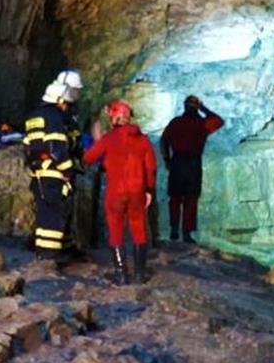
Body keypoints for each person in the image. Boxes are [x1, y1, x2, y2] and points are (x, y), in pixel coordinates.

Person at [83, 100, 157, 284]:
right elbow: (151, 167)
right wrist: (149, 190)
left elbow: (88, 158)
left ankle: (121, 274)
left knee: (115, 229)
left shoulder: (109, 139)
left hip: (116, 191)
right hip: (137, 190)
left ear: (115, 118)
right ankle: (140, 274)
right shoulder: (143, 140)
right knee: (139, 229)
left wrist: (97, 141)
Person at [22, 81, 82, 263]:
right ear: (58, 100)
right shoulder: (54, 117)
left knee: (44, 212)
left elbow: (27, 145)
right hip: (53, 172)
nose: (66, 106)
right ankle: (50, 255)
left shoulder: (34, 116)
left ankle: (42, 251)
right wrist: (68, 170)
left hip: (38, 172)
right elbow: (56, 147)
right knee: (54, 214)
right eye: (65, 102)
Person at [159, 95, 224, 243]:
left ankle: (174, 229)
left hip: (177, 161)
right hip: (192, 163)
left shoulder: (176, 122)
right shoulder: (201, 123)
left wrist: (167, 159)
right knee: (191, 199)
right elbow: (219, 121)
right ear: (196, 107)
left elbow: (164, 141)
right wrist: (204, 108)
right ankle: (186, 233)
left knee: (175, 198)